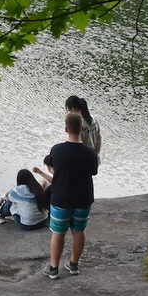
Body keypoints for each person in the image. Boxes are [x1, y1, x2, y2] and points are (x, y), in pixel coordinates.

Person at [43, 113, 99, 279]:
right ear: (82, 129)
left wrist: (52, 170)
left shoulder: (57, 149)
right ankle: (73, 264)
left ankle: (54, 268)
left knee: (58, 233)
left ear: (66, 129)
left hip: (62, 198)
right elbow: (93, 172)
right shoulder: (90, 152)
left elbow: (52, 167)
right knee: (78, 231)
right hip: (83, 198)